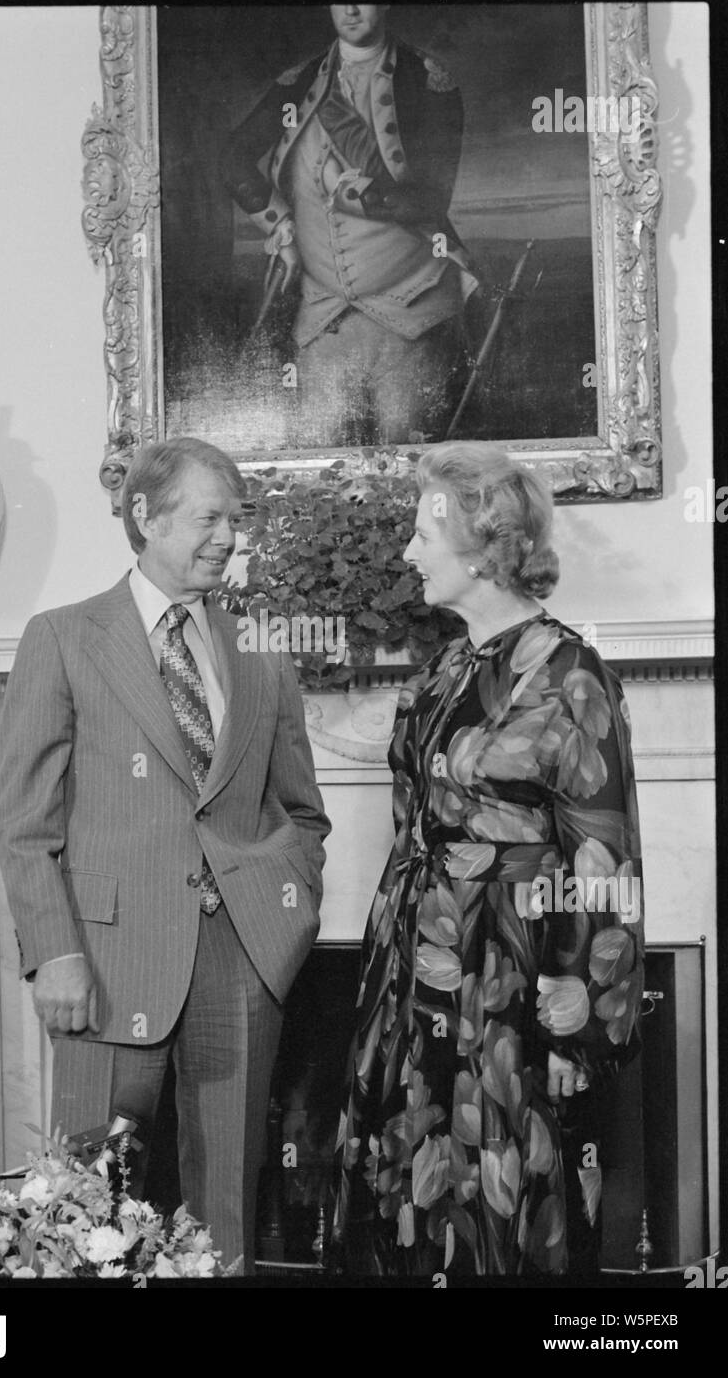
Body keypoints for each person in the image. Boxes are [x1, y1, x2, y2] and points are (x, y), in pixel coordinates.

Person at [0, 438, 331, 1273]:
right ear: (144, 517)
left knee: (226, 1212)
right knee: (85, 1203)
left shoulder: (258, 646)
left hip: (239, 965)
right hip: (103, 964)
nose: (228, 537)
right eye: (210, 518)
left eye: (236, 520)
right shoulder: (63, 637)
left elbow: (302, 813)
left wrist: (276, 932)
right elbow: (25, 823)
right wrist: (55, 955)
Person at [331, 442, 644, 1276]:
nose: (406, 552)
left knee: (504, 1179)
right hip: (413, 965)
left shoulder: (570, 672)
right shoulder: (439, 672)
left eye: (419, 535)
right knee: (411, 1174)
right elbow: (414, 823)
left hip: (509, 976)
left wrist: (577, 1014)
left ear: (478, 541)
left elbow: (603, 855)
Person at [222, 4, 480, 446]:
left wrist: (354, 194)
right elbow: (232, 157)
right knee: (319, 459)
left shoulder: (429, 81)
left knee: (409, 456)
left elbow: (431, 197)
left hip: (410, 307)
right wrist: (280, 225)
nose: (352, 9)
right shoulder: (298, 82)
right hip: (321, 312)